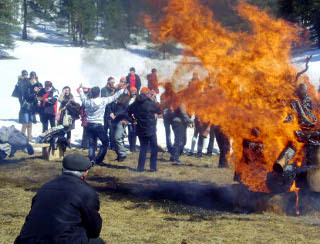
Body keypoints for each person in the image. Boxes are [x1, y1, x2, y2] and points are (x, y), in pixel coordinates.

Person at [15, 153, 105, 244]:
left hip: (25, 240)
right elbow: (94, 230)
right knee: (97, 242)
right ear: (85, 174)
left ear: (63, 170)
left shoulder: (45, 187)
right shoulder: (87, 192)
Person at [78, 83, 127, 166]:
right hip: (98, 124)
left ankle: (92, 159)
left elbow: (82, 96)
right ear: (99, 93)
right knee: (105, 142)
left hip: (89, 124)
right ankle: (99, 159)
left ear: (92, 94)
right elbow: (114, 97)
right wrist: (122, 89)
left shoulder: (87, 101)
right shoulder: (103, 100)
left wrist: (80, 89)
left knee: (92, 143)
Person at [128, 87, 161, 172]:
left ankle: (140, 168)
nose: (151, 94)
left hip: (140, 128)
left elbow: (128, 112)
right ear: (146, 94)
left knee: (143, 148)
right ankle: (153, 168)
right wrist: (155, 99)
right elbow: (159, 111)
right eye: (149, 93)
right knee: (154, 148)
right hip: (150, 129)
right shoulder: (150, 103)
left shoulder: (135, 103)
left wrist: (133, 120)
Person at [110, 85, 131, 161]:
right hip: (114, 120)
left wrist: (117, 115)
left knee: (117, 137)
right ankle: (119, 154)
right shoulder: (114, 99)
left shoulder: (126, 99)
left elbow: (126, 111)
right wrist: (111, 113)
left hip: (121, 120)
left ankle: (122, 154)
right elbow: (110, 108)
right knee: (113, 138)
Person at [101, 77, 116, 150]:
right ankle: (105, 144)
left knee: (112, 129)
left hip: (113, 110)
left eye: (113, 82)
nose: (113, 84)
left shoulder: (114, 89)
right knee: (105, 128)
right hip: (106, 111)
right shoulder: (104, 89)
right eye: (111, 82)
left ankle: (112, 144)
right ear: (108, 82)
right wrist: (111, 95)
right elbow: (104, 99)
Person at [128, 87, 138, 152]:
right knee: (130, 132)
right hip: (129, 117)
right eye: (132, 91)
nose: (133, 92)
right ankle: (131, 146)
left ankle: (133, 147)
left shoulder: (138, 99)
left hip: (135, 117)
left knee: (134, 132)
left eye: (134, 91)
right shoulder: (128, 99)